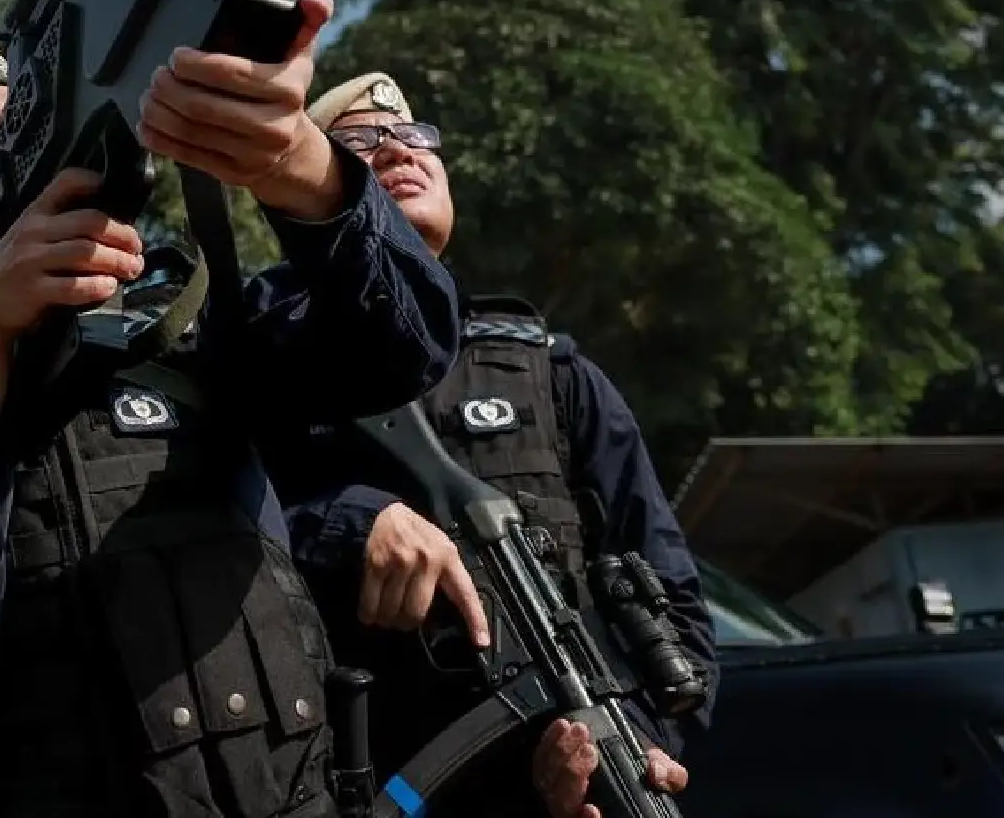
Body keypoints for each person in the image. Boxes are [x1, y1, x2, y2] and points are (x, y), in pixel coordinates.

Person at [0, 0, 463, 818]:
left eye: (24, 113)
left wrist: (300, 169)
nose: (12, 135)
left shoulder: (192, 315)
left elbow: (408, 345)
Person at [264, 72, 720, 818]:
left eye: (415, 137)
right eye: (359, 144)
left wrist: (628, 744)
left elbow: (671, 595)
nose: (399, 152)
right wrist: (352, 522)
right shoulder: (263, 357)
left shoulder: (552, 373)